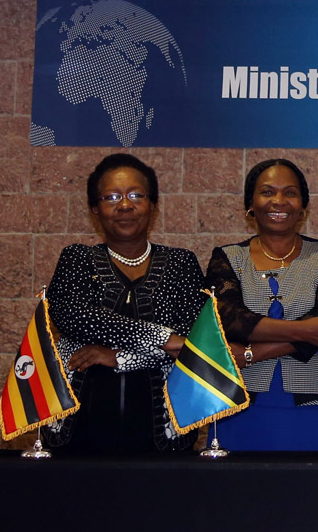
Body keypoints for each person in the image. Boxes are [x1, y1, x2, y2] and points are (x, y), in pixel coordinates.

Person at [43, 153, 203, 453]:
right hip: (77, 428)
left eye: (136, 195)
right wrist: (161, 337)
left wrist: (118, 357)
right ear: (95, 209)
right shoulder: (77, 259)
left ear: (153, 205)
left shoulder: (181, 263)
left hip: (163, 431)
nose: (125, 205)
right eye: (111, 197)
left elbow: (193, 340)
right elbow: (76, 317)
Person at [207, 159, 318, 451]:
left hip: (317, 404)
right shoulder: (227, 257)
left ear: (303, 206)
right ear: (250, 204)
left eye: (289, 193)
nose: (279, 201)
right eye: (267, 192)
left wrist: (250, 353)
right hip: (239, 404)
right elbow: (231, 320)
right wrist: (306, 331)